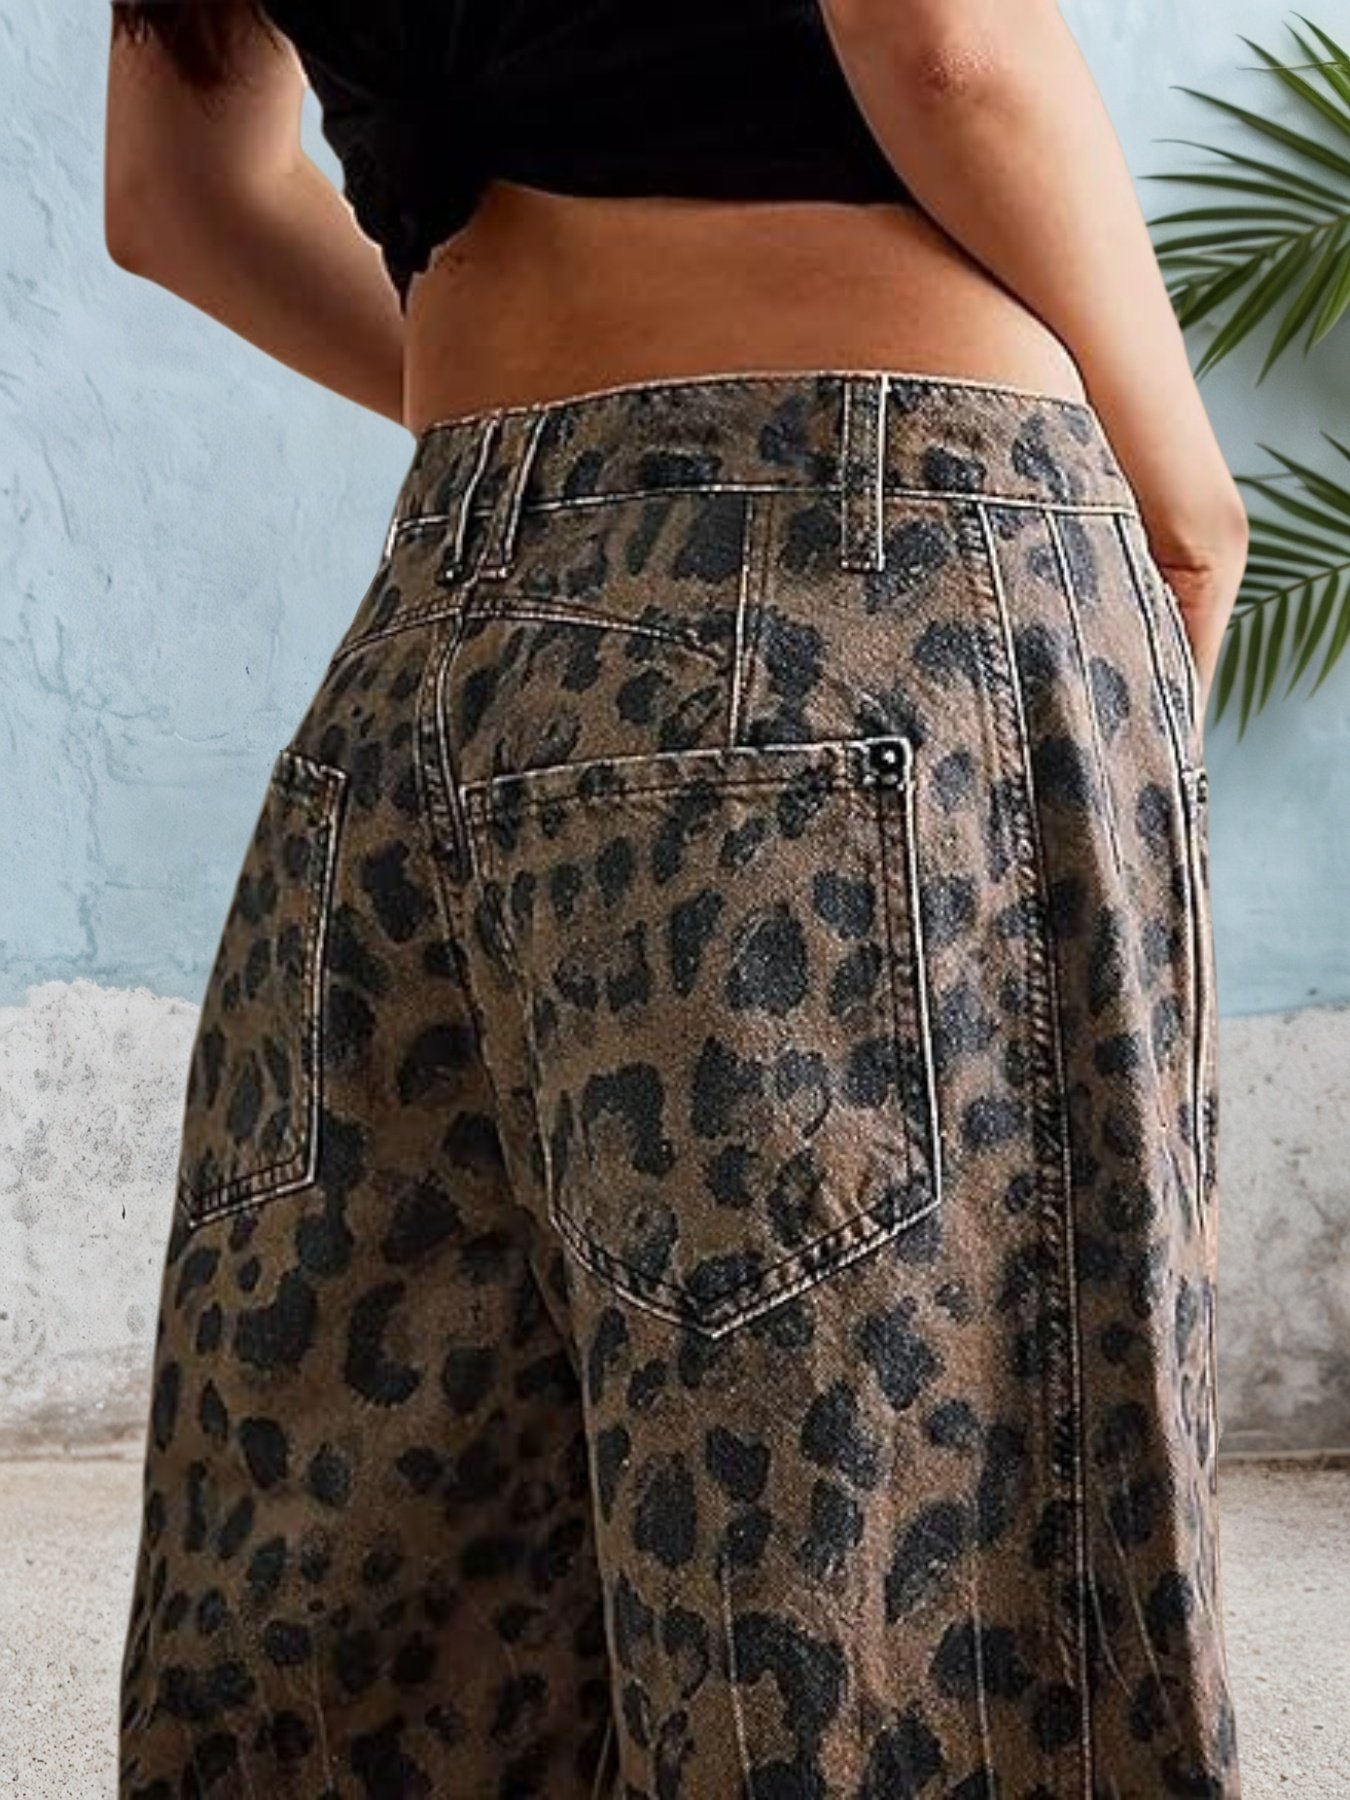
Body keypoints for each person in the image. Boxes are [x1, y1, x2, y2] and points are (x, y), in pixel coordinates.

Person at [106, 3, 1248, 1795]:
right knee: (897, 1600)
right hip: (852, 581)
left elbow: (176, 195)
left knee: (381, 1595)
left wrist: (559, 453)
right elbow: (942, 46)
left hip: (445, 629)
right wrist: (1187, 507)